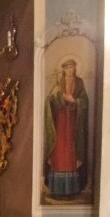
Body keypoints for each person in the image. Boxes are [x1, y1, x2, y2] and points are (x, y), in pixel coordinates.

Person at [44, 58, 89, 198]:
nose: (69, 70)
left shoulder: (79, 82)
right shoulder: (59, 83)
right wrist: (55, 97)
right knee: (59, 149)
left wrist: (73, 100)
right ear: (63, 70)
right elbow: (50, 102)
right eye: (67, 68)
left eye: (72, 67)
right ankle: (57, 188)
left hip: (73, 123)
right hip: (60, 121)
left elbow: (85, 102)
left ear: (75, 69)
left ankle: (72, 189)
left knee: (71, 149)